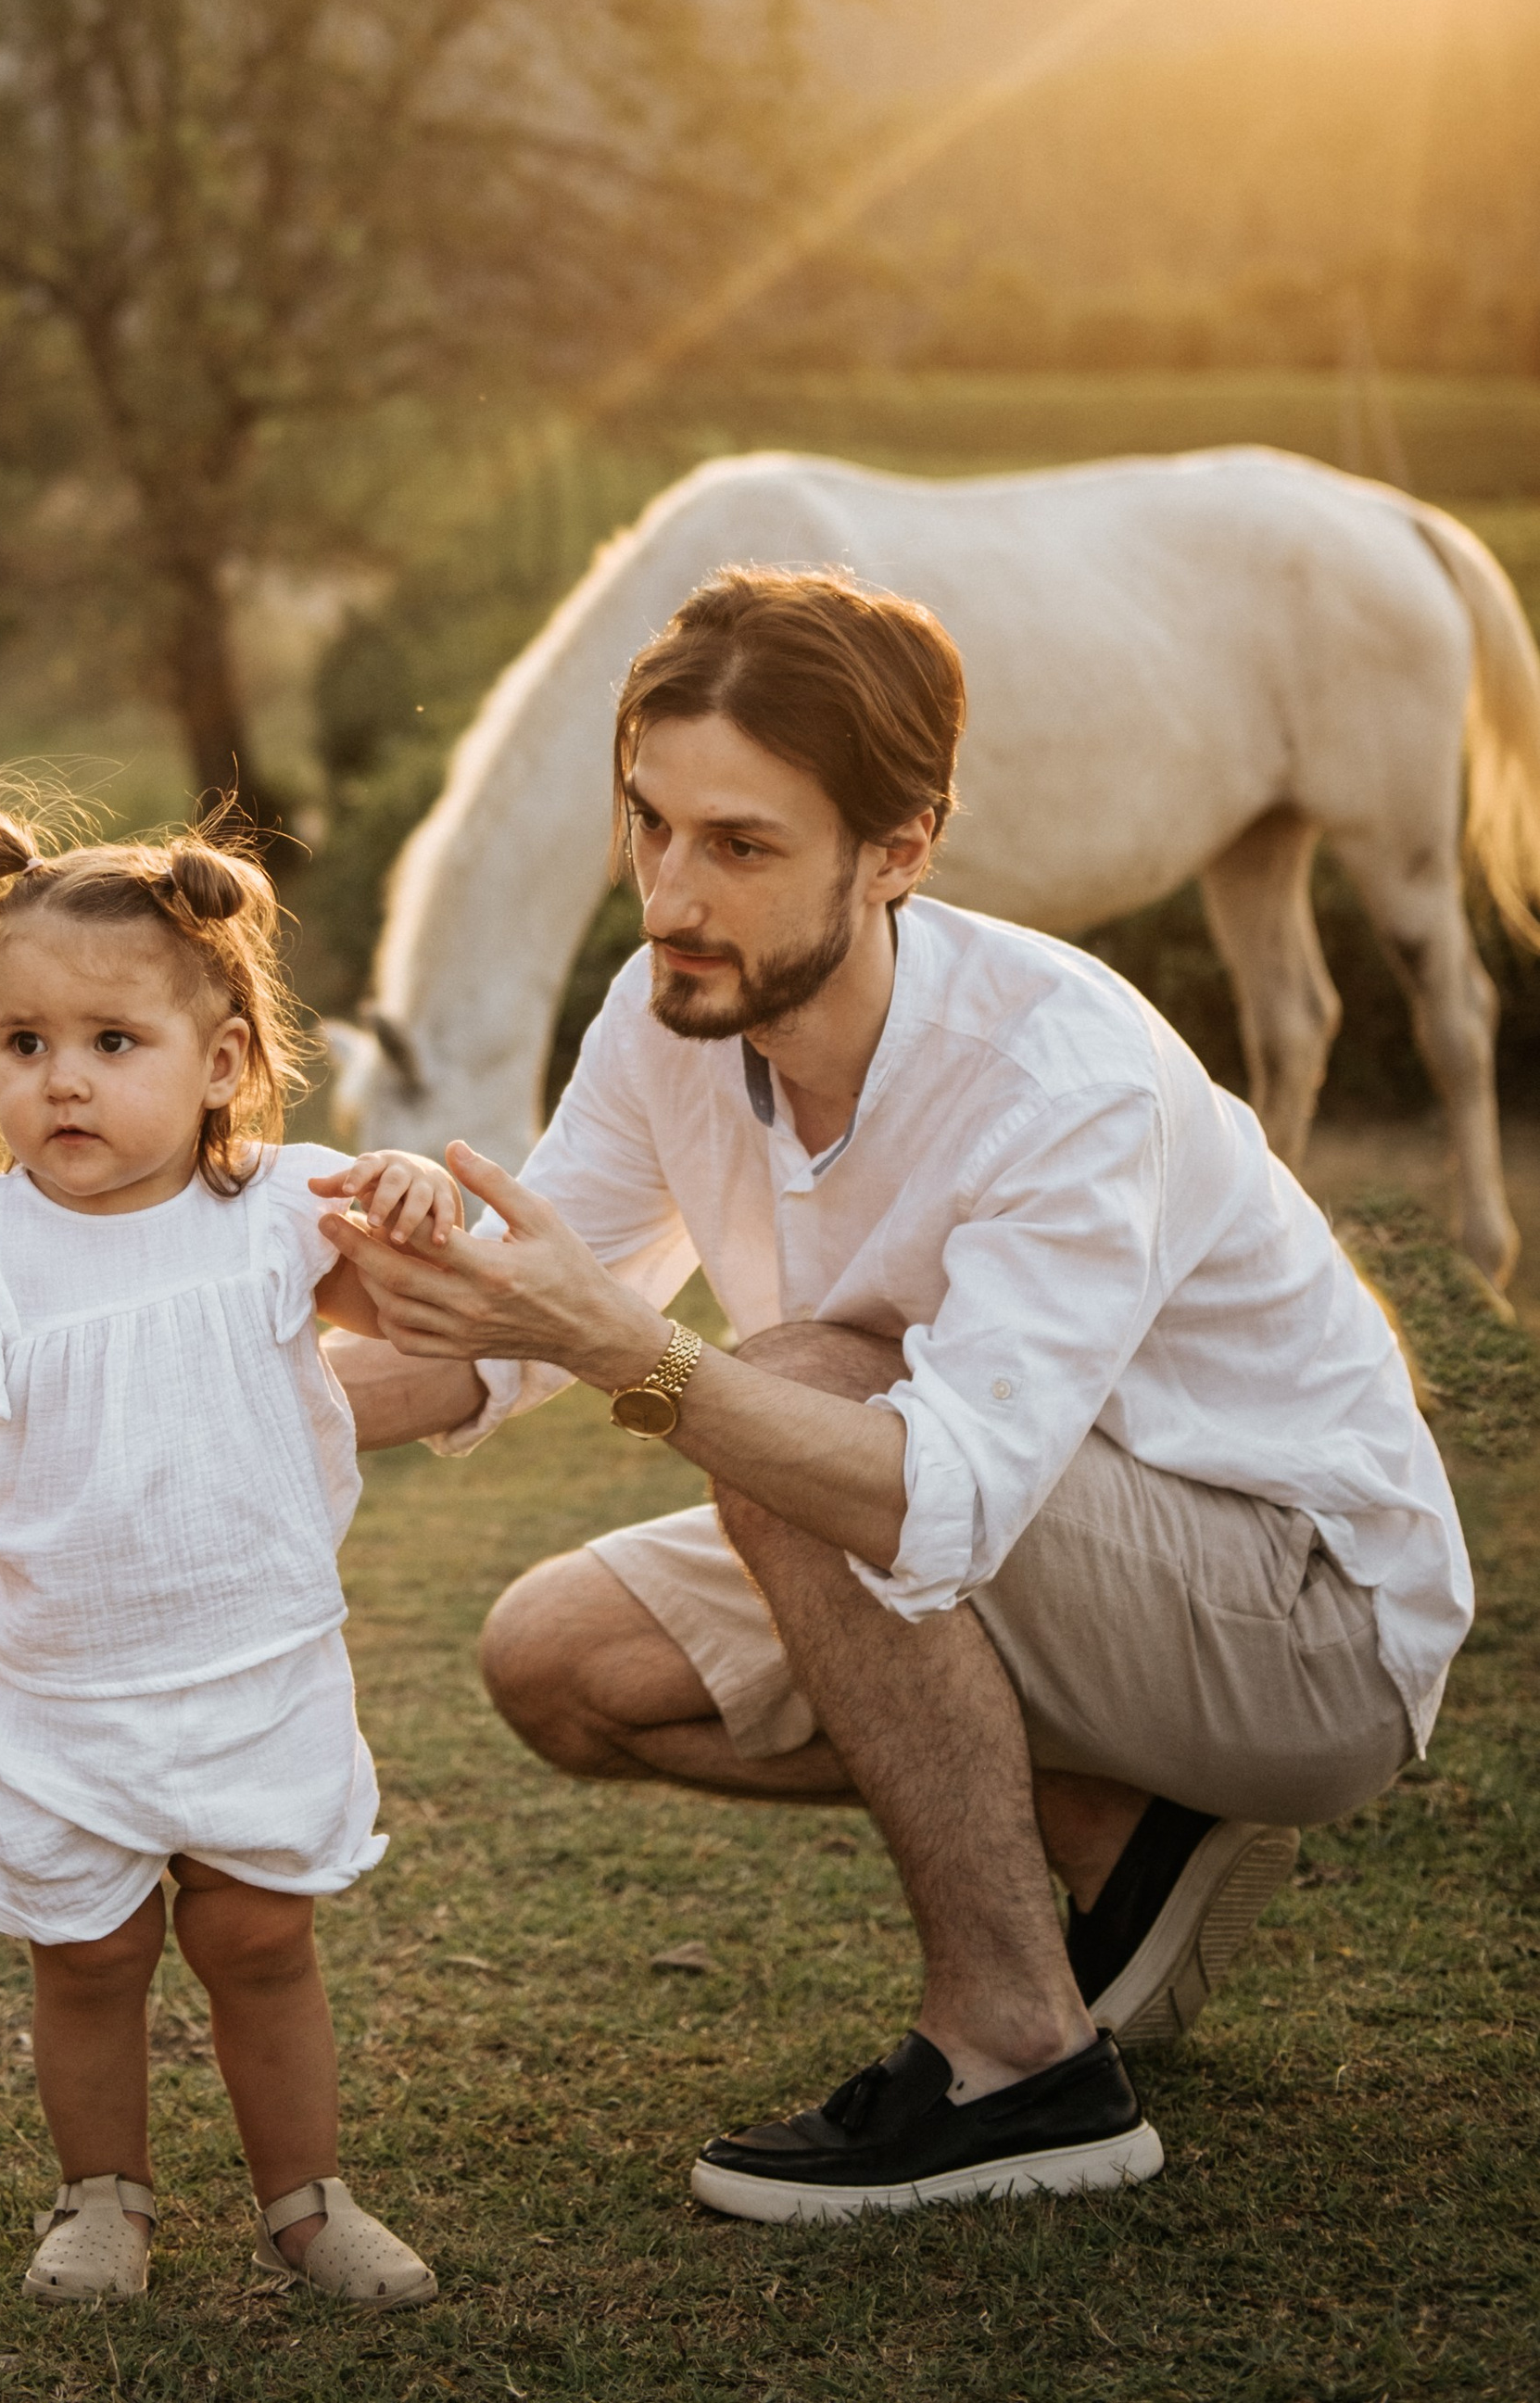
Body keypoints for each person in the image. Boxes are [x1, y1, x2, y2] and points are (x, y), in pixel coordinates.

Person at [318, 564, 1473, 2223]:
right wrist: (189, 1382)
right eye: (651, 825)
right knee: (557, 1663)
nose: (669, 893)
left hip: (1302, 1618)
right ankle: (1113, 1813)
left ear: (901, 849)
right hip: (1032, 1557)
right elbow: (496, 1328)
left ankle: (1023, 2057)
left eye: (742, 844)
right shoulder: (677, 1020)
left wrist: (632, 1352)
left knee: (792, 1393)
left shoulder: (1055, 1069)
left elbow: (931, 1494)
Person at [0, 795, 451, 2309]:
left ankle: (307, 2202)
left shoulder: (283, 1214)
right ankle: (101, 2197)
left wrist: (416, 1214)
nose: (62, 1081)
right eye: (25, 1042)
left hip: (255, 1660)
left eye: (114, 1042)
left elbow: (422, 1311)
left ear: (221, 1060)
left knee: (257, 1935)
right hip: (59, 1684)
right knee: (87, 1953)